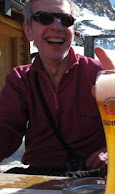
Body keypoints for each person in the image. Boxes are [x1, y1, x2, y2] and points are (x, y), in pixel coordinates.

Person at [0, 0, 108, 176]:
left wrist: (112, 152)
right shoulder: (20, 79)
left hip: (90, 179)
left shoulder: (99, 73)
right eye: (44, 18)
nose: (57, 26)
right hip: (38, 179)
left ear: (73, 30)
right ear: (28, 30)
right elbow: (4, 130)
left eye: (66, 19)